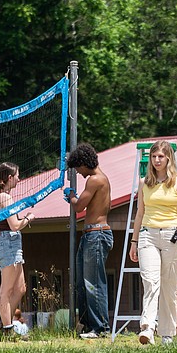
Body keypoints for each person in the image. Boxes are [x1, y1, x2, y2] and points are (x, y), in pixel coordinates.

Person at [128, 140, 177, 346]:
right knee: (150, 281)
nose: (157, 160)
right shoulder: (144, 183)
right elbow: (139, 213)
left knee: (168, 286)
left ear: (168, 158)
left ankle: (167, 333)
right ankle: (147, 328)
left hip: (172, 236)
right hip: (147, 236)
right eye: (154, 156)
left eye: (161, 156)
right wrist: (134, 241)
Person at [65, 143, 113, 339]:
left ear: (85, 163)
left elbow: (79, 207)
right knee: (82, 284)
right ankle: (88, 325)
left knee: (93, 284)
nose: (78, 172)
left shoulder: (95, 180)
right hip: (90, 236)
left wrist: (71, 196)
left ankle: (100, 328)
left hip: (97, 235)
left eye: (78, 167)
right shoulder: (99, 178)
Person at [0, 162, 35, 334]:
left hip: (12, 243)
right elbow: (14, 225)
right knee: (6, 289)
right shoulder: (4, 197)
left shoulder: (3, 196)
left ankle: (5, 320)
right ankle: (8, 329)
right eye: (17, 176)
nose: (19, 179)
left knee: (20, 288)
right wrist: (29, 218)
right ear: (9, 178)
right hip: (7, 243)